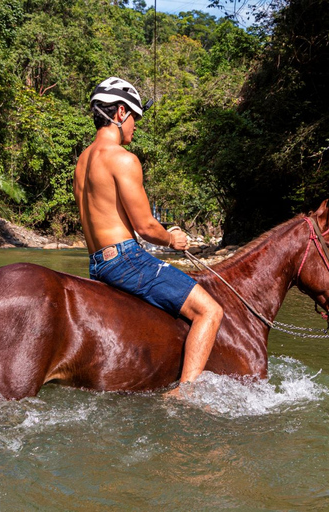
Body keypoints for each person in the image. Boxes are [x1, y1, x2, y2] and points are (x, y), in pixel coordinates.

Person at [73, 77, 224, 396]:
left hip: (97, 265)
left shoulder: (82, 161)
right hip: (125, 261)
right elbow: (144, 227)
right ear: (119, 112)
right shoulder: (122, 159)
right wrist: (172, 239)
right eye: (135, 119)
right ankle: (185, 392)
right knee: (210, 311)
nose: (135, 128)